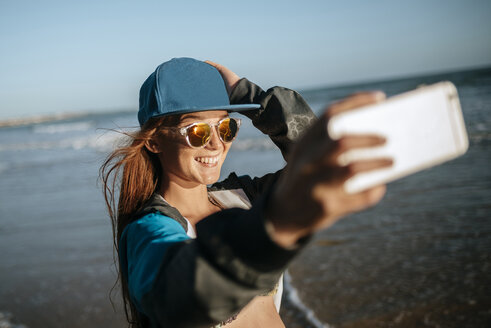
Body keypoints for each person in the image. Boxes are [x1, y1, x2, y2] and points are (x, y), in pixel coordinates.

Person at [100, 57, 392, 328]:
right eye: (197, 131)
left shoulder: (243, 197)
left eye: (225, 127)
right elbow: (176, 294)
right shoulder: (149, 230)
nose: (216, 144)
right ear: (154, 142)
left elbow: (322, 163)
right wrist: (273, 226)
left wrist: (249, 96)